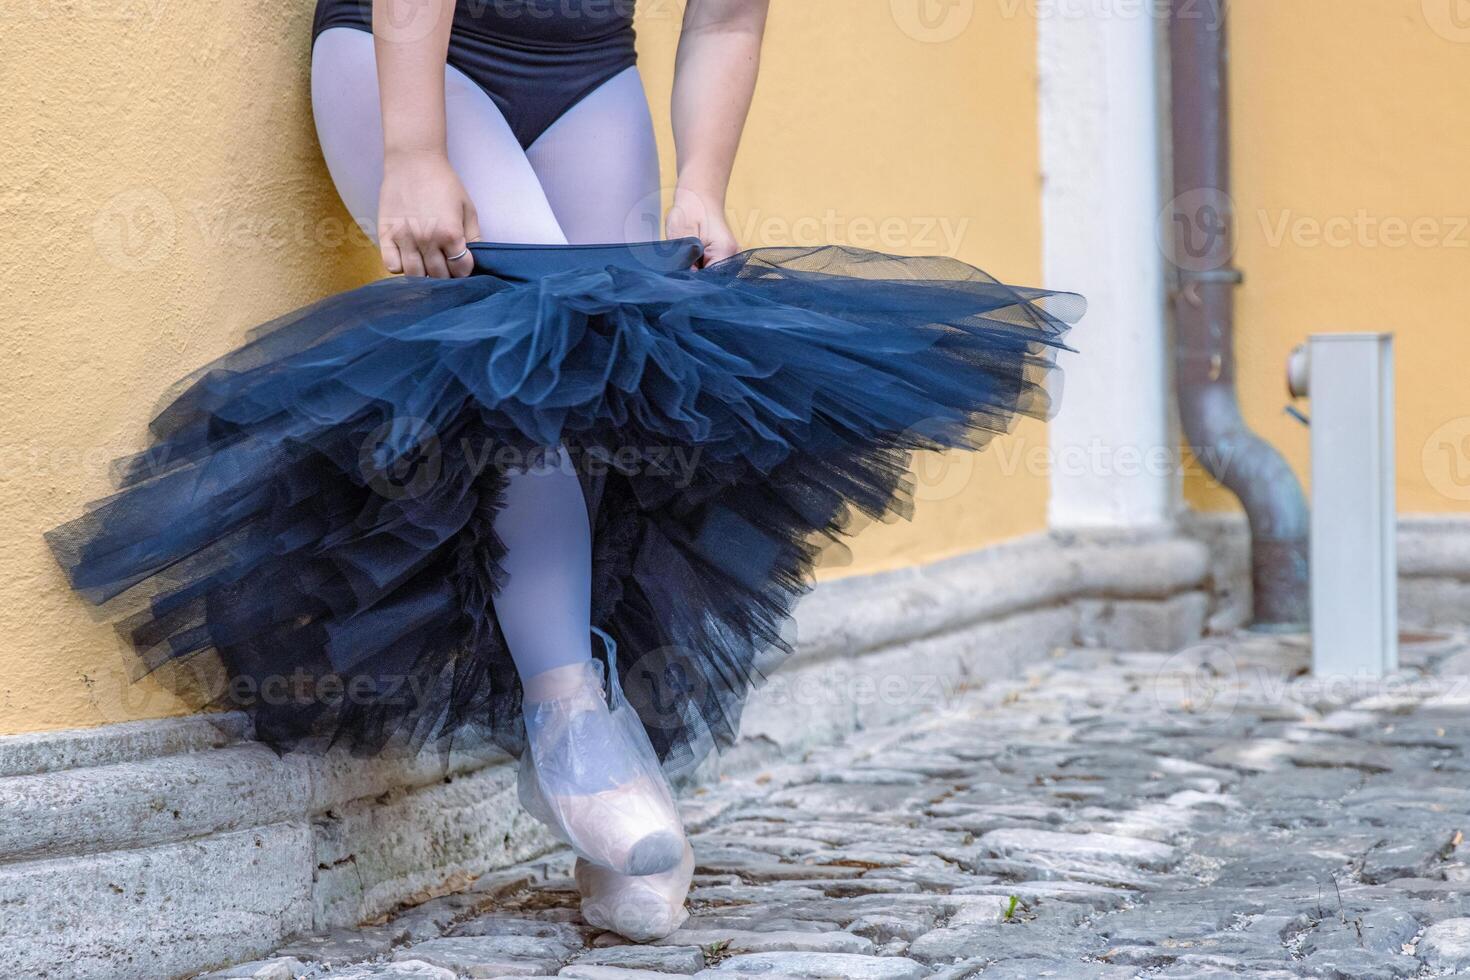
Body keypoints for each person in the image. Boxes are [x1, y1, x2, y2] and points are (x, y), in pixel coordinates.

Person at [47, 0, 1081, 945]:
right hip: (412, 50)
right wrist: (412, 145)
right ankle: (575, 728)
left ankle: (600, 760)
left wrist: (704, 186)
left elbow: (727, 12)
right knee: (547, 348)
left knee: (615, 387)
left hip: (588, 66)